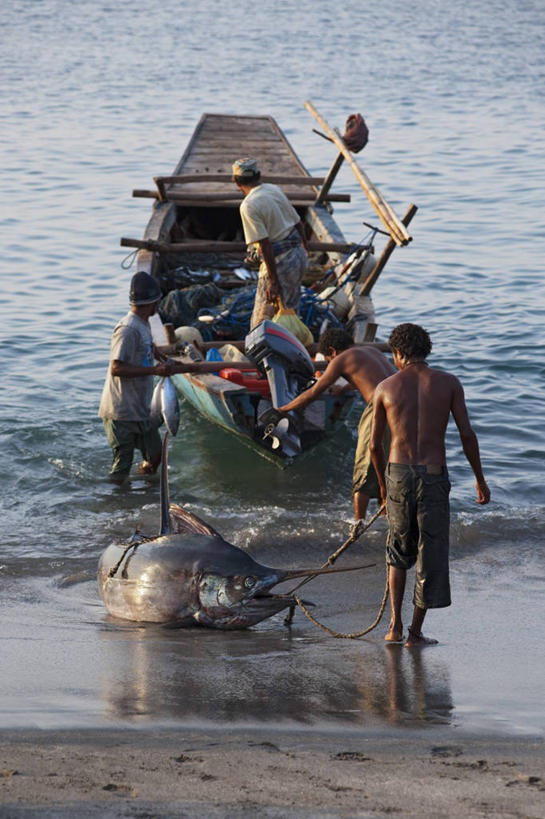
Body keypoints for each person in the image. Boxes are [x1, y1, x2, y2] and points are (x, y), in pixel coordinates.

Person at [370, 323, 490, 647]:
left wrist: (383, 488)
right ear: (426, 350)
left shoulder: (385, 387)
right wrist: (480, 479)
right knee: (431, 552)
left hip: (398, 474)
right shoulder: (449, 383)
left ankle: (394, 626)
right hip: (434, 475)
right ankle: (414, 633)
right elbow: (467, 434)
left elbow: (374, 446)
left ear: (398, 353)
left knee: (397, 550)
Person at [278, 327, 395, 520]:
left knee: (364, 471)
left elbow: (313, 392)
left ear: (332, 351)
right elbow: (369, 377)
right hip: (400, 408)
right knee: (390, 464)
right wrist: (345, 388)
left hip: (379, 407)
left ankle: (358, 524)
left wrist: (283, 409)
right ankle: (387, 514)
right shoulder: (371, 351)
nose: (330, 364)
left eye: (328, 360)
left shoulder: (341, 359)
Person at [98, 272, 203, 484]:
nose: (159, 305)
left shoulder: (143, 323)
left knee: (156, 456)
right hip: (121, 412)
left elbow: (149, 347)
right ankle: (116, 499)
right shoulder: (127, 330)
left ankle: (143, 493)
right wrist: (155, 371)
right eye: (157, 301)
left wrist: (166, 360)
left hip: (139, 409)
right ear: (151, 302)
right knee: (121, 468)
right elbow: (116, 368)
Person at [232, 157, 309, 328]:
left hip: (280, 264)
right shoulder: (273, 189)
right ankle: (293, 341)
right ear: (259, 175)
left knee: (261, 320)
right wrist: (305, 247)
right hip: (298, 256)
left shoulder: (248, 206)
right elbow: (298, 221)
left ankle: (266, 344)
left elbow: (265, 245)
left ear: (237, 182)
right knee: (291, 312)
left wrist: (273, 282)